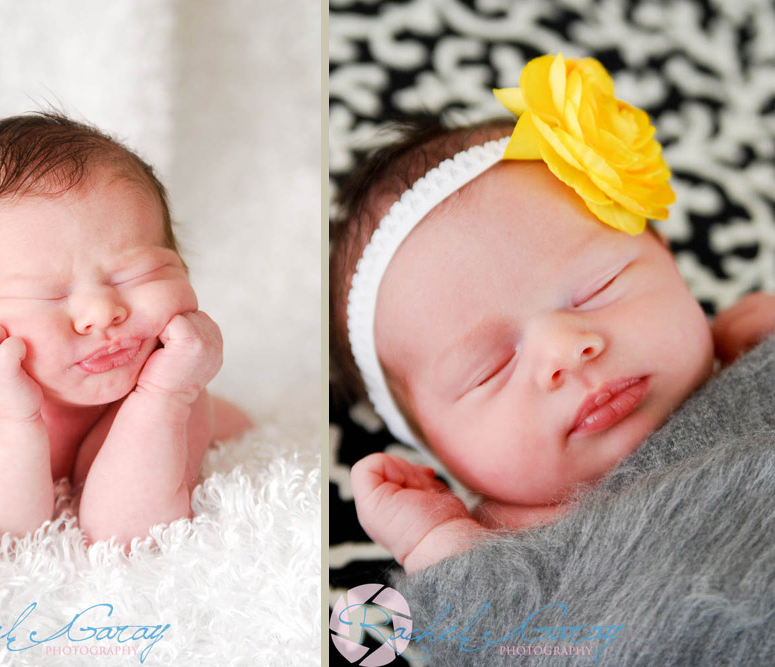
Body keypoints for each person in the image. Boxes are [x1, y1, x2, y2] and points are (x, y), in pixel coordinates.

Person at [329, 54, 775, 573]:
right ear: (435, 451)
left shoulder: (751, 367)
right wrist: (437, 548)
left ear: (666, 258)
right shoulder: (504, 555)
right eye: (490, 368)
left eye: (598, 288)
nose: (568, 348)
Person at [0, 112, 251, 545]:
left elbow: (126, 533)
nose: (101, 311)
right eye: (45, 296)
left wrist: (163, 398)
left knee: (235, 423)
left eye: (134, 273)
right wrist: (7, 419)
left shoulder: (172, 381)